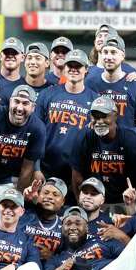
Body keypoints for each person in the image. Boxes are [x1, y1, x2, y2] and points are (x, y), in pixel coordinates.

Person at [71, 96, 136, 205]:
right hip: (97, 199)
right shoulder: (84, 136)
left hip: (129, 200)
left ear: (115, 115)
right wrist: (81, 204)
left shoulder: (130, 139)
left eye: (104, 116)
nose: (100, 121)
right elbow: (76, 174)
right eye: (95, 116)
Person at [39, 206, 123, 270]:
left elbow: (127, 257)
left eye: (78, 223)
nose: (73, 227)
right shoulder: (57, 258)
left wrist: (121, 236)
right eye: (68, 224)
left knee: (103, 266)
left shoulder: (102, 241)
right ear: (62, 228)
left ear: (87, 228)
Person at [35, 49, 98, 184]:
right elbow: (35, 133)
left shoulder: (95, 100)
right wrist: (35, 168)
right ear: (64, 68)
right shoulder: (47, 94)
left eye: (78, 66)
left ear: (86, 69)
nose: (73, 69)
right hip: (46, 169)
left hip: (79, 171)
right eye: (70, 66)